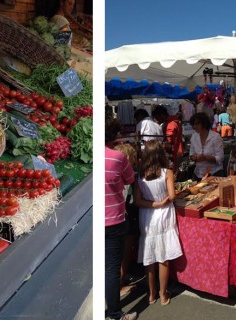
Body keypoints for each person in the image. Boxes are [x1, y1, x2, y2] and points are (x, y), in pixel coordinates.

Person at [134, 140, 183, 306]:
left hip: (147, 216)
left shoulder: (140, 175)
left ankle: (151, 294)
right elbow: (173, 195)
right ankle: (163, 294)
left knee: (149, 257)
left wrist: (154, 204)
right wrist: (162, 202)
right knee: (163, 257)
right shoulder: (166, 172)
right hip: (163, 215)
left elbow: (137, 201)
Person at [105, 118, 138, 320]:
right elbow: (130, 179)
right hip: (113, 220)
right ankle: (115, 314)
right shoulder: (117, 157)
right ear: (115, 136)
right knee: (111, 269)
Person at [114, 143, 139, 299]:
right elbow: (135, 200)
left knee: (117, 253)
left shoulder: (112, 174)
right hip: (127, 216)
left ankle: (120, 279)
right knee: (125, 252)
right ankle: (119, 284)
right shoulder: (130, 176)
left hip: (115, 217)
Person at [189, 112, 225, 180]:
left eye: (197, 124)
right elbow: (191, 155)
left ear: (204, 124)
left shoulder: (215, 137)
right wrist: (195, 157)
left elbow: (221, 158)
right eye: (193, 124)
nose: (194, 127)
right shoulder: (194, 137)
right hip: (198, 173)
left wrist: (206, 158)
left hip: (214, 173)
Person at [152, 105, 183, 171]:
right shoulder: (174, 121)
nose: (156, 120)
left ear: (162, 115)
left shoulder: (170, 125)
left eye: (157, 118)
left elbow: (169, 142)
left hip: (174, 154)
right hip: (178, 152)